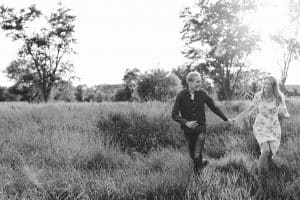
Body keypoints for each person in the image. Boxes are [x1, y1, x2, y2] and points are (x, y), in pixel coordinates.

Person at [231, 75, 290, 198]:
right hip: (261, 125)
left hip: (274, 126)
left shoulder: (279, 96)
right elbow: (250, 109)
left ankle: (265, 171)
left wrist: (286, 114)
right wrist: (237, 118)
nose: (266, 86)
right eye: (265, 83)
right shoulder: (259, 95)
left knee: (270, 154)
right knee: (265, 151)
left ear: (274, 86)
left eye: (269, 84)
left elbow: (284, 110)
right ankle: (262, 182)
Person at [171, 71, 230, 173]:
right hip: (188, 131)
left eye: (200, 81)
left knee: (197, 154)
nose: (200, 84)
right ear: (189, 82)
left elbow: (214, 107)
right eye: (197, 81)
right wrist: (186, 122)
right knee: (192, 155)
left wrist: (226, 119)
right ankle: (202, 163)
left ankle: (198, 179)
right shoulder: (181, 95)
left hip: (201, 129)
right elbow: (174, 115)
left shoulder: (202, 94)